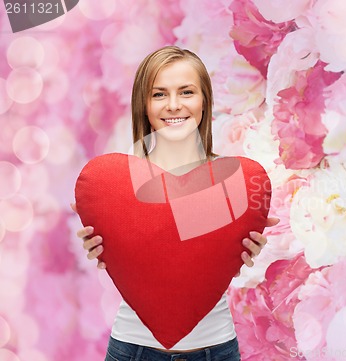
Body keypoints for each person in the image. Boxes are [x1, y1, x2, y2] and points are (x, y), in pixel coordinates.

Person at [71, 46, 279, 361]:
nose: (173, 105)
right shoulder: (113, 184)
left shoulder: (234, 183)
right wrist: (104, 248)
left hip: (216, 349)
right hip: (133, 349)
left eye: (186, 92)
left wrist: (252, 249)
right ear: (143, 103)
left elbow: (207, 261)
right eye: (158, 94)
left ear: (204, 100)